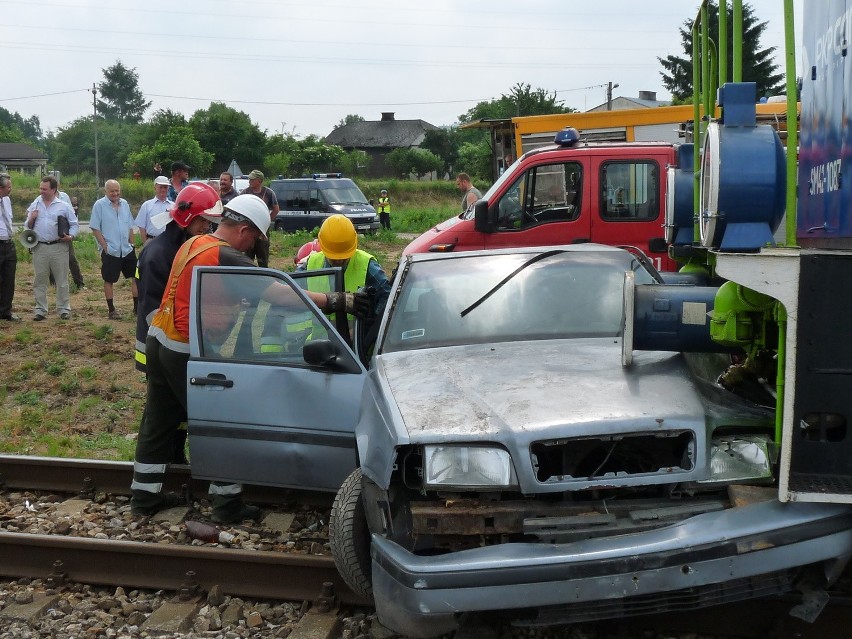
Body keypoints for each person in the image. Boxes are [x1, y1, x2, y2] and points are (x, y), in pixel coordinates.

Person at [130, 194, 368, 522]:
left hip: (159, 339)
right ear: (244, 230)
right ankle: (227, 506)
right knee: (220, 424)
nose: (252, 246)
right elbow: (280, 294)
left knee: (157, 422)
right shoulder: (225, 254)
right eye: (254, 238)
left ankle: (143, 500)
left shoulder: (196, 242)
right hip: (184, 348)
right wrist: (336, 300)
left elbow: (199, 290)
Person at [134, 182, 222, 465]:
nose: (208, 228)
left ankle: (174, 461)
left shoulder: (182, 247)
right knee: (164, 413)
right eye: (204, 222)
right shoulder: (158, 254)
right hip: (162, 346)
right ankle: (170, 462)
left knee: (177, 412)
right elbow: (151, 310)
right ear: (187, 218)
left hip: (177, 342)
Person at [297, 214, 391, 340]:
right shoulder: (310, 265)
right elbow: (291, 293)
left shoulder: (366, 264)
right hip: (319, 346)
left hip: (357, 347)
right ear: (321, 244)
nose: (339, 261)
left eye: (344, 256)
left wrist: (367, 326)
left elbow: (387, 297)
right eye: (334, 257)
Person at [25, 176, 79, 321]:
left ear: (53, 189)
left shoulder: (64, 205)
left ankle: (63, 309)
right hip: (40, 247)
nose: (41, 191)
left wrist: (71, 236)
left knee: (61, 280)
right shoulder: (36, 204)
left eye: (44, 189)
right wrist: (32, 218)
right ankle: (40, 310)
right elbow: (27, 226)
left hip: (59, 247)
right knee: (40, 280)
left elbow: (74, 224)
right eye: (40, 188)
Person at [90, 179, 138, 320]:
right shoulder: (99, 205)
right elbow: (95, 227)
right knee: (109, 279)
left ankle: (137, 308)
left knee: (136, 277)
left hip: (127, 249)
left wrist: (132, 244)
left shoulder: (125, 204)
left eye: (117, 190)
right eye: (112, 191)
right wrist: (105, 247)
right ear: (106, 191)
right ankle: (112, 310)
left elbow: (129, 225)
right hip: (111, 250)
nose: (115, 193)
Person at [240, 169, 279, 268]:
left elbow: (276, 209)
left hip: (263, 231)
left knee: (263, 258)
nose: (250, 181)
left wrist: (266, 221)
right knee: (247, 259)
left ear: (260, 181)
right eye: (249, 179)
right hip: (248, 229)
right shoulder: (245, 192)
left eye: (252, 180)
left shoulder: (269, 193)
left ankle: (264, 279)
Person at [0, 173, 18, 321]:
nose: (10, 189)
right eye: (8, 187)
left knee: (9, 280)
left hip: (8, 244)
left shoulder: (6, 200)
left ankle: (6, 312)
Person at [135, 176, 172, 243]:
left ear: (168, 188)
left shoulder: (173, 206)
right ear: (155, 188)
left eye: (165, 187)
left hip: (169, 241)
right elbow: (141, 227)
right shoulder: (147, 205)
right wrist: (145, 244)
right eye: (160, 187)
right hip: (152, 240)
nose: (163, 190)